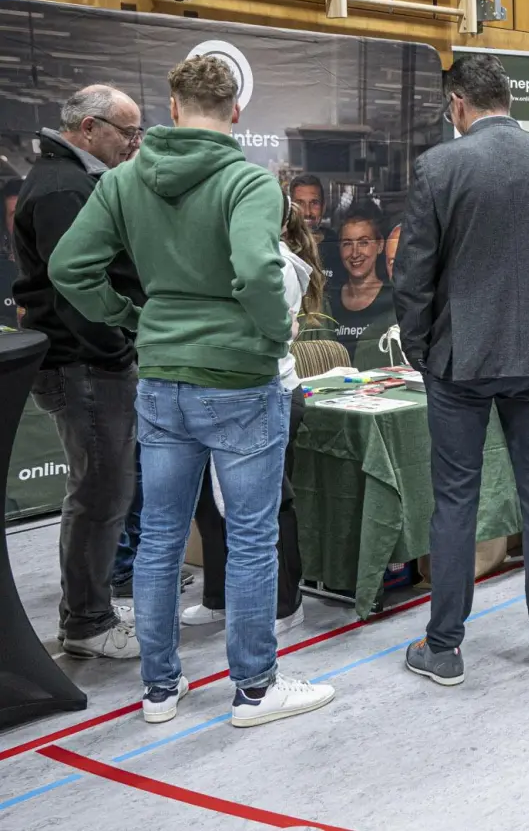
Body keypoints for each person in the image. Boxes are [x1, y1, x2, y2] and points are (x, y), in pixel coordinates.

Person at [51, 56, 334, 726]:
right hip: (239, 381)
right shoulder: (248, 183)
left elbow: (69, 267)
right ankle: (256, 690)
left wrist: (131, 318)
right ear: (235, 112)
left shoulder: (122, 181)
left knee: (158, 542)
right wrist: (270, 340)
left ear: (173, 109)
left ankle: (159, 690)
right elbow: (260, 275)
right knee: (251, 538)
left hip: (161, 378)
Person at [394, 54, 529, 680]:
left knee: (455, 501)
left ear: (459, 105)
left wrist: (422, 350)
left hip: (459, 361)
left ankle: (445, 646)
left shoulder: (439, 166)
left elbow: (413, 277)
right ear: (507, 98)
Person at [12, 84, 143, 659]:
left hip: (88, 359)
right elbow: (75, 288)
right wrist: (115, 349)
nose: (132, 144)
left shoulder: (72, 178)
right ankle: (88, 623)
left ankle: (90, 611)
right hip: (84, 362)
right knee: (99, 492)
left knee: (103, 490)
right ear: (89, 128)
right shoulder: (65, 187)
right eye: (126, 132)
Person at [184, 199, 321, 634]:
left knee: (269, 505)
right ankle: (219, 597)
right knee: (210, 504)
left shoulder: (278, 264)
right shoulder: (227, 255)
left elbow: (265, 328)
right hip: (221, 393)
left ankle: (286, 604)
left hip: (270, 393)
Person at [324, 202, 394, 356]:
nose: (355, 253)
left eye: (363, 242)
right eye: (347, 243)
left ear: (380, 245)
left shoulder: (393, 299)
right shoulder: (328, 300)